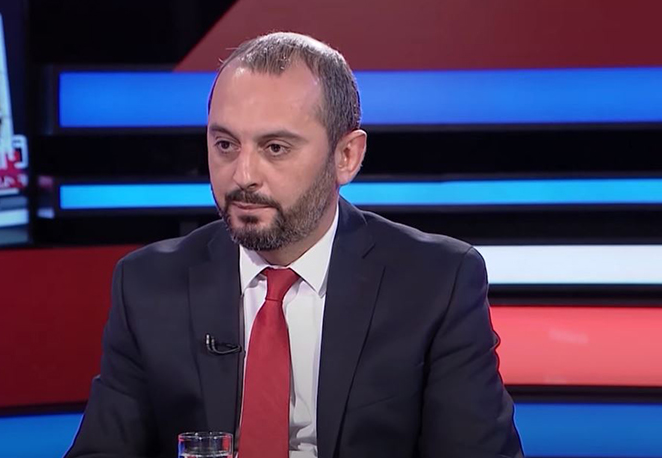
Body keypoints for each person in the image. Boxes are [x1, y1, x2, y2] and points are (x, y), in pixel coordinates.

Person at [65, 32, 524, 458]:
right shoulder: (147, 285)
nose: (243, 175)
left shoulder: (436, 283)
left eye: (275, 148)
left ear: (346, 156)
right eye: (225, 144)